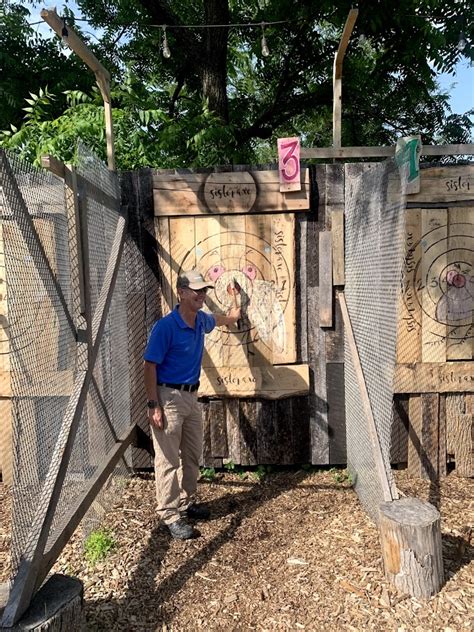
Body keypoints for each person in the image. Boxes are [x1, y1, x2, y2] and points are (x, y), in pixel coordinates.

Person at [144, 269, 241, 540]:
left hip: (191, 397)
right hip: (168, 398)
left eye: (204, 290)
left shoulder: (201, 321)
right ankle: (170, 514)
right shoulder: (166, 327)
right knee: (168, 459)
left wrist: (235, 298)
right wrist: (154, 405)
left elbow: (231, 319)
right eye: (196, 290)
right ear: (182, 293)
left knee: (192, 453)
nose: (202, 295)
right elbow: (149, 365)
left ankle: (187, 503)